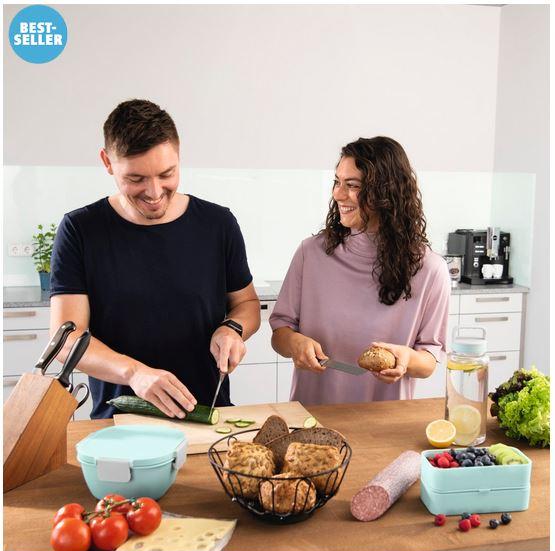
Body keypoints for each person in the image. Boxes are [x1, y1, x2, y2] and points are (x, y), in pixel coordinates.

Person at [50, 99, 260, 419]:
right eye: (136, 179)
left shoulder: (218, 224)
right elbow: (67, 341)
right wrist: (134, 373)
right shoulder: (80, 230)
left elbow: (247, 305)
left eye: (167, 174)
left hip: (208, 416)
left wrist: (232, 328)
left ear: (179, 157)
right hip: (120, 422)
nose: (154, 191)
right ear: (107, 161)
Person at [269, 136, 450, 405]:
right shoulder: (311, 253)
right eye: (337, 182)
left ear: (386, 193)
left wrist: (406, 359)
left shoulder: (430, 270)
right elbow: (280, 332)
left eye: (352, 185)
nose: (338, 194)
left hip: (384, 423)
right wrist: (295, 343)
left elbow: (430, 359)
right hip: (311, 418)